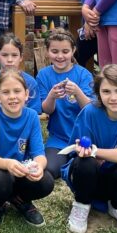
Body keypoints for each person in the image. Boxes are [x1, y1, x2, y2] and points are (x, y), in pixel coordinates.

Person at [64, 64, 117, 233]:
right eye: (106, 91)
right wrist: (84, 151)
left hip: (114, 181)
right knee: (84, 163)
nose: (113, 97)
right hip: (88, 179)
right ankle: (82, 204)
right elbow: (76, 152)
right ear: (98, 94)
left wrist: (95, 151)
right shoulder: (90, 112)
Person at [0, 70, 55, 230]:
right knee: (1, 180)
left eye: (17, 91)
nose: (12, 96)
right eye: (6, 92)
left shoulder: (32, 116)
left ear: (26, 94)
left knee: (46, 181)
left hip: (21, 173)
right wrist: (8, 164)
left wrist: (39, 167)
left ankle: (20, 200)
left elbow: (39, 154)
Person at [37, 30, 94, 179]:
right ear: (47, 51)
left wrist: (77, 92)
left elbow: (90, 109)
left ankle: (74, 164)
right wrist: (51, 96)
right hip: (58, 139)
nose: (60, 56)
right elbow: (46, 110)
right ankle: (67, 163)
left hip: (83, 138)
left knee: (87, 169)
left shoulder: (84, 74)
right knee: (50, 169)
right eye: (54, 51)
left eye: (65, 51)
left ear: (73, 50)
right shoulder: (43, 75)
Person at [0, 33, 41, 115]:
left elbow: (34, 113)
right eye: (5, 55)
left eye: (14, 55)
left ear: (21, 57)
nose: (10, 60)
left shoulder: (30, 83)